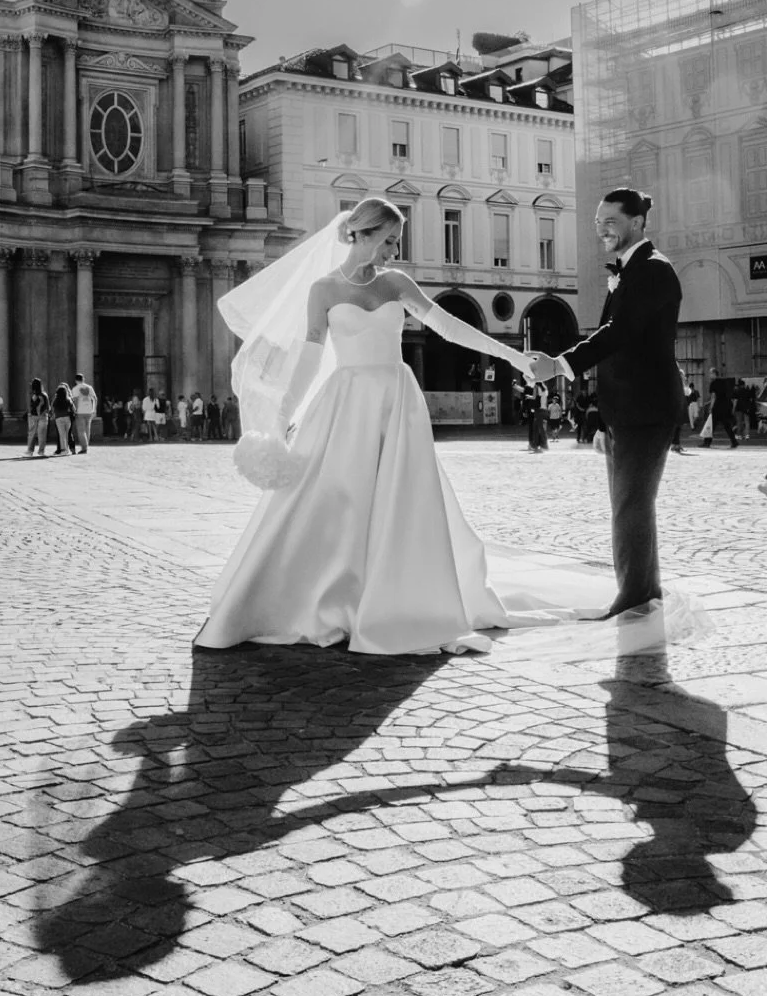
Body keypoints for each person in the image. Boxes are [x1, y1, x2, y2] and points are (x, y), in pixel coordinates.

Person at [196, 197, 584, 654]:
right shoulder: (322, 290)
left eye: (397, 242)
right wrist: (282, 419)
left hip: (397, 402)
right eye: (388, 240)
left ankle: (392, 599)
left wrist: (516, 357)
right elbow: (309, 359)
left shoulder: (396, 283)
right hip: (345, 403)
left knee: (400, 503)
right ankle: (329, 599)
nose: (392, 251)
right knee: (337, 501)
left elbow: (451, 327)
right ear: (360, 233)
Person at [531, 188, 684, 617]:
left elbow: (618, 334)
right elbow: (615, 352)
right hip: (623, 409)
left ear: (636, 222)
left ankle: (633, 597)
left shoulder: (653, 270)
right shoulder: (629, 270)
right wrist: (600, 418)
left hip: (647, 407)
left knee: (629, 506)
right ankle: (644, 590)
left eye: (610, 222)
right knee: (630, 504)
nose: (601, 230)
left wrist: (560, 364)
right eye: (598, 223)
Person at [702, 367, 738, 449]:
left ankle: (707, 442)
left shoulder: (713, 383)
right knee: (726, 425)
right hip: (725, 406)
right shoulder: (724, 382)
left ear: (714, 374)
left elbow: (713, 397)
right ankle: (734, 441)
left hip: (717, 407)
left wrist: (711, 407)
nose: (709, 375)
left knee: (711, 425)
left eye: (710, 373)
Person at [72, 373, 97, 454]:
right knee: (87, 429)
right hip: (89, 410)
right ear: (83, 379)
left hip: (80, 411)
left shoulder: (75, 388)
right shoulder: (89, 387)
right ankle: (86, 446)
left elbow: (75, 400)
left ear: (76, 380)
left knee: (81, 430)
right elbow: (95, 398)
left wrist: (75, 410)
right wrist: (94, 409)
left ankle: (84, 447)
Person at [25, 378, 50, 457]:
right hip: (43, 416)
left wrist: (29, 414)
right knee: (42, 435)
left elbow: (30, 406)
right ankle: (41, 451)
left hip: (33, 416)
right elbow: (48, 407)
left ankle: (30, 451)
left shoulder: (32, 395)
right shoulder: (44, 395)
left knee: (31, 434)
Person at [52, 383, 76, 455]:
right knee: (67, 434)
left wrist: (54, 414)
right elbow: (74, 409)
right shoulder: (68, 399)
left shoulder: (55, 400)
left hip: (58, 419)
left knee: (62, 435)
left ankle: (64, 450)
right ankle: (67, 450)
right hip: (67, 418)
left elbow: (52, 409)